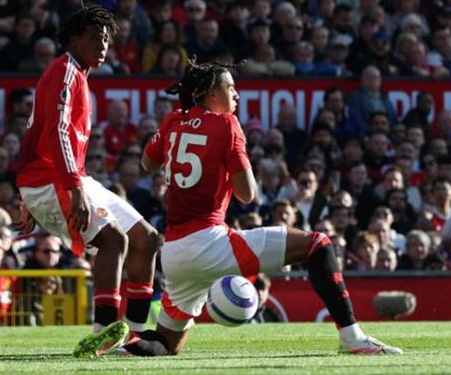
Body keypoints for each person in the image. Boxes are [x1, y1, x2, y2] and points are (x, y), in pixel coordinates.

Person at [124, 60, 401, 356]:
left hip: (176, 253)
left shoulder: (172, 121)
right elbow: (248, 195)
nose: (237, 95)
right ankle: (353, 337)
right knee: (318, 244)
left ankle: (125, 346)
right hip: (210, 241)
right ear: (210, 93)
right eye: (230, 87)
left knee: (165, 345)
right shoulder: (226, 123)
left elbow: (147, 163)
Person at [15, 6, 159, 357]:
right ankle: (105, 334)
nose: (103, 45)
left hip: (61, 178)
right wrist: (67, 188)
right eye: (95, 38)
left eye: (107, 39)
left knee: (147, 239)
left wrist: (31, 193)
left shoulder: (76, 73)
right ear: (74, 40)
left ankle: (134, 336)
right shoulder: (65, 71)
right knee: (113, 241)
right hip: (56, 180)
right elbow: (57, 132)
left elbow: (34, 133)